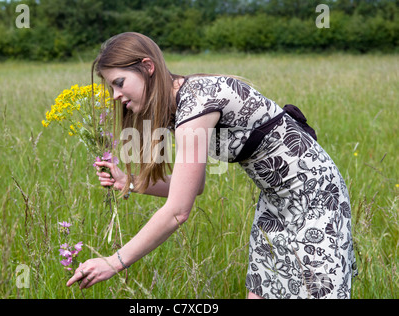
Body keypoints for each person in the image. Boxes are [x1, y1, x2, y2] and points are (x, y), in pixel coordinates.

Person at [66, 32, 357, 299]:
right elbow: (196, 187)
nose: (115, 95)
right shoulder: (179, 107)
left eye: (119, 83)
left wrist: (113, 262)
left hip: (317, 198)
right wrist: (129, 182)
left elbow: (178, 211)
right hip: (274, 205)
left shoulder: (196, 104)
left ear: (147, 66)